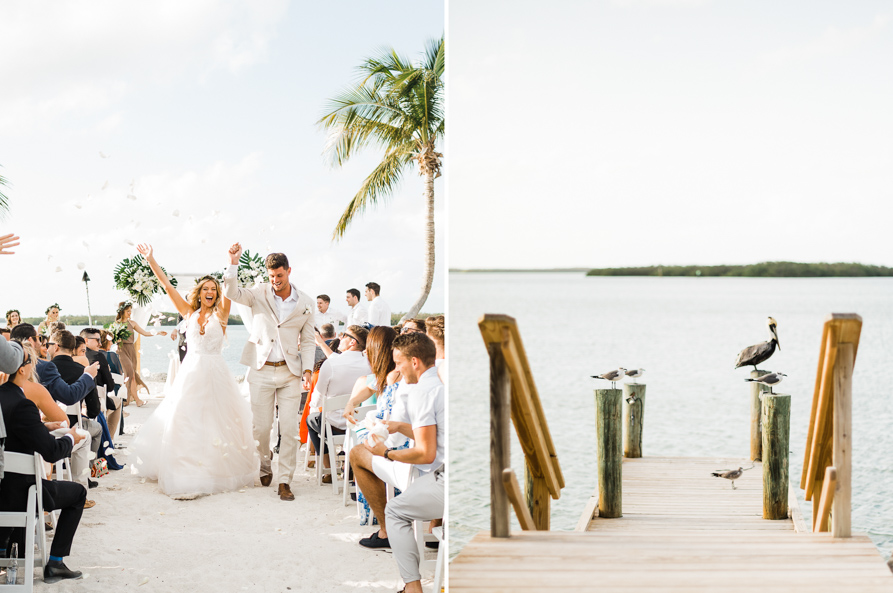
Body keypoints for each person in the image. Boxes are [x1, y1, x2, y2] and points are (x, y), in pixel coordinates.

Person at [130, 244, 258, 499]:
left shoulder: (221, 313)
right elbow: (167, 286)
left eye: (214, 289)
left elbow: (229, 287)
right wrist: (151, 259)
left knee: (215, 420)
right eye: (206, 289)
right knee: (184, 418)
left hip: (216, 372)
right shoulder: (188, 313)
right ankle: (185, 471)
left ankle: (213, 470)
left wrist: (232, 262)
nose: (210, 292)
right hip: (190, 372)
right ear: (199, 294)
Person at [223, 243, 317, 502]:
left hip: (290, 373)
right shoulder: (258, 293)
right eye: (272, 276)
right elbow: (231, 292)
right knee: (261, 429)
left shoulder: (306, 303)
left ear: (289, 271)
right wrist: (233, 263)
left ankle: (285, 480)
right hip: (261, 369)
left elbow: (308, 341)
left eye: (280, 275)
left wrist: (308, 369)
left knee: (288, 429)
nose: (275, 280)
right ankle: (265, 464)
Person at [0, 340, 88, 583]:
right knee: (78, 494)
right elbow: (51, 452)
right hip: (21, 495)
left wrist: (41, 427)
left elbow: (14, 433)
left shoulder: (6, 401)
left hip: (3, 490)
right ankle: (56, 563)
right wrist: (71, 437)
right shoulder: (23, 405)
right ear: (22, 370)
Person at [364, 332, 445, 593]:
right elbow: (434, 437)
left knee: (395, 511)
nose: (396, 369)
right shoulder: (439, 386)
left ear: (414, 362)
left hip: (446, 481)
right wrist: (401, 427)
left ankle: (412, 587)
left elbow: (426, 454)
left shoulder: (422, 392)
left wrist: (384, 453)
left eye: (398, 363)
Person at [306, 325, 370, 483]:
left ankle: (328, 471)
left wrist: (312, 405)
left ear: (352, 342)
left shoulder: (331, 364)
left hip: (334, 424)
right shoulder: (370, 364)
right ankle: (346, 463)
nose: (340, 338)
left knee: (311, 419)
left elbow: (317, 399)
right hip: (360, 423)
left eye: (345, 336)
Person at [114, 301, 167, 407]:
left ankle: (130, 398)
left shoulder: (132, 323)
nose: (130, 313)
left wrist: (157, 333)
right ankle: (134, 399)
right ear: (122, 311)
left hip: (131, 350)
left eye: (130, 311)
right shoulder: (116, 324)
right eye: (128, 311)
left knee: (131, 375)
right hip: (121, 350)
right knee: (129, 373)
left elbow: (145, 333)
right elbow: (111, 339)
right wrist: (117, 339)